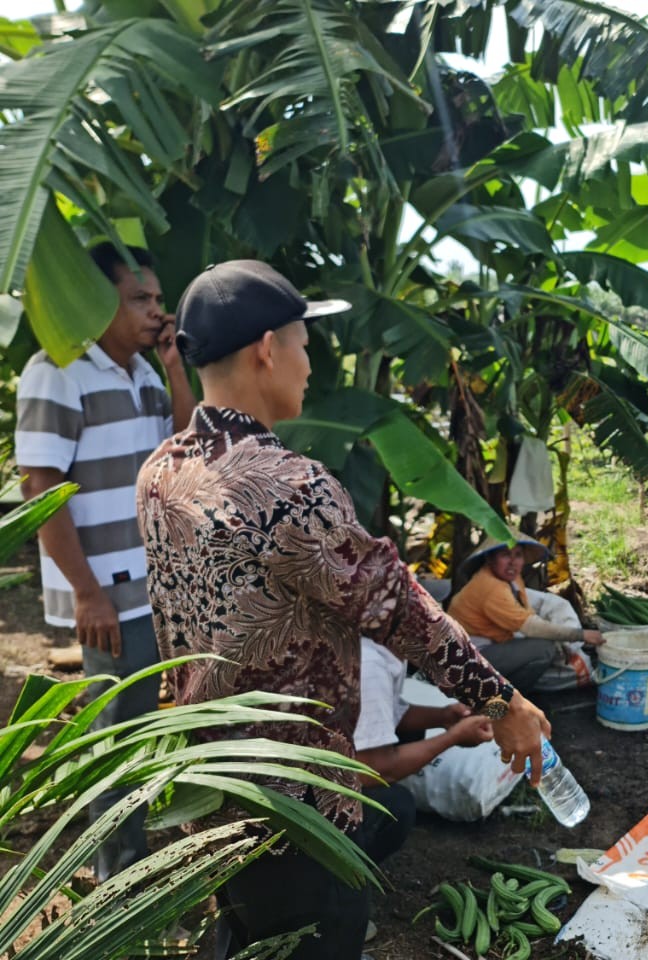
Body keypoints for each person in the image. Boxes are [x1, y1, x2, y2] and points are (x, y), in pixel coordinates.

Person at [135, 260, 549, 960]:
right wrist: (501, 700)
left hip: (208, 784)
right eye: (303, 343)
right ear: (267, 347)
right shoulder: (290, 486)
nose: (306, 364)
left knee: (246, 934)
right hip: (296, 810)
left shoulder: (160, 472)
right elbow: (398, 609)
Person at [15, 242, 194, 881]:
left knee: (136, 726)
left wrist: (175, 368)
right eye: (139, 300)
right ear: (97, 301)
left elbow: (183, 450)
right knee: (115, 733)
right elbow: (41, 486)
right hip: (109, 591)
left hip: (150, 586)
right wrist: (86, 591)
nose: (156, 312)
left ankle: (129, 863)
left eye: (158, 300)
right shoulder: (58, 371)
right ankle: (116, 880)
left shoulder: (143, 372)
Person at [351, 636, 496, 865]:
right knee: (396, 808)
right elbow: (375, 769)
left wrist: (443, 716)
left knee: (410, 736)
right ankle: (338, 876)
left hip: (334, 752)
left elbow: (390, 715)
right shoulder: (370, 663)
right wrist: (452, 738)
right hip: (306, 788)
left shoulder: (389, 649)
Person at [447, 526, 604, 693]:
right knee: (543, 649)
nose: (513, 562)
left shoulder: (512, 579)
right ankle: (504, 696)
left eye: (518, 555)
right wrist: (580, 635)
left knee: (546, 644)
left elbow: (526, 614)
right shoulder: (490, 586)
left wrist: (563, 640)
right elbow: (530, 626)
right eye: (505, 555)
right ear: (490, 559)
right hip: (464, 660)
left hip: (486, 647)